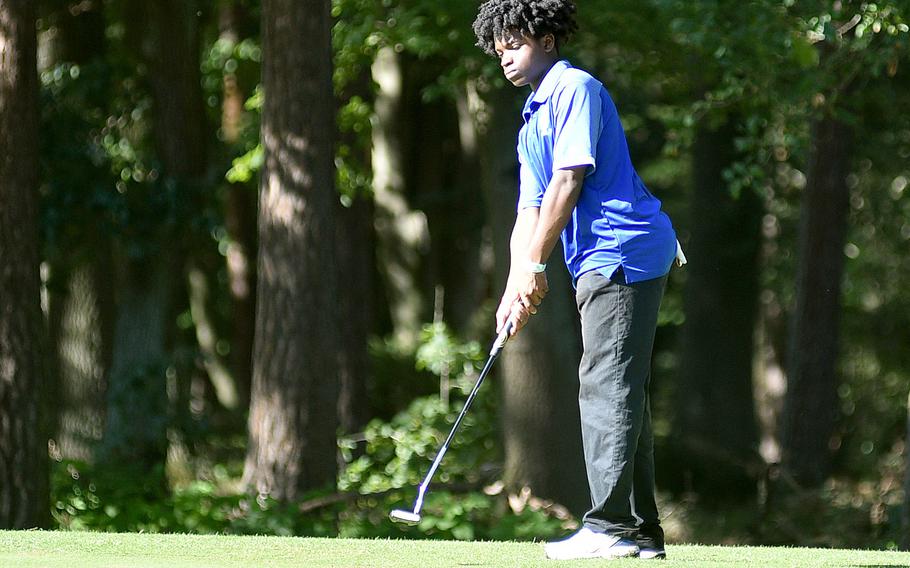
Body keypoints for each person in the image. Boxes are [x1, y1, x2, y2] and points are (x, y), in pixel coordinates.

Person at [472, 0, 686, 561]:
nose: (506, 60)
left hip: (623, 248)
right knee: (622, 388)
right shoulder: (531, 118)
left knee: (606, 383)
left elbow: (569, 181)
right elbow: (529, 210)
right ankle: (639, 533)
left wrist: (537, 267)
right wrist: (517, 280)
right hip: (597, 254)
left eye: (513, 46)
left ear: (545, 39)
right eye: (498, 53)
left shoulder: (575, 89)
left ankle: (610, 526)